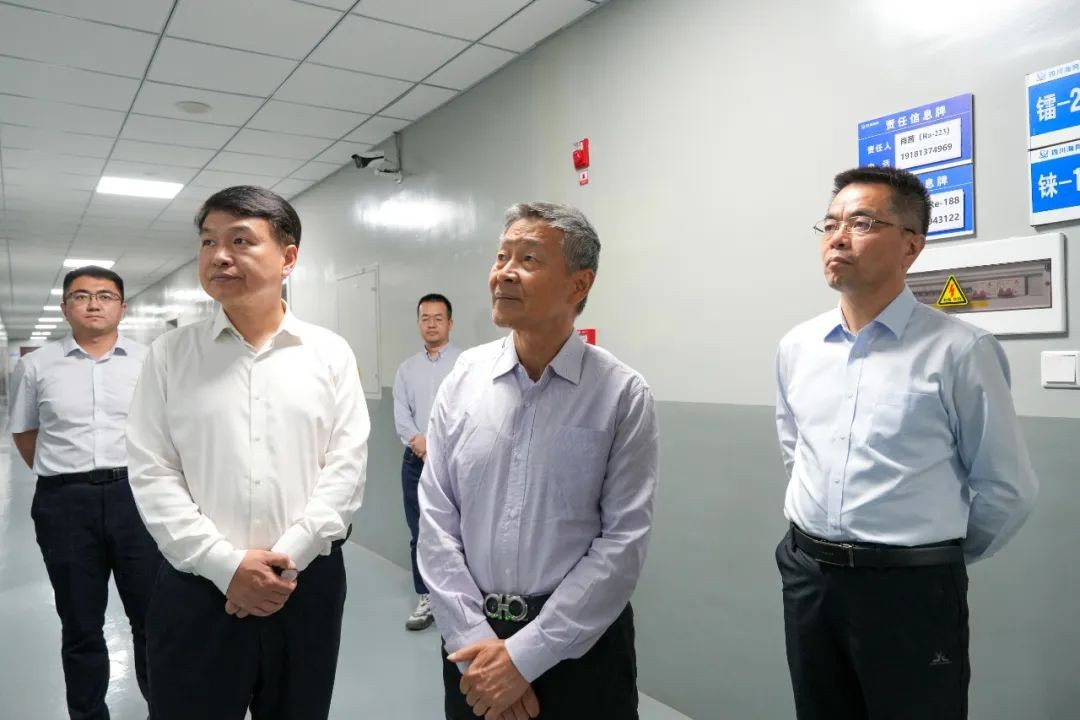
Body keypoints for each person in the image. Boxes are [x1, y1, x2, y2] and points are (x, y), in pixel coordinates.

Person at [774, 165, 1039, 719]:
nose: (838, 238)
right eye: (830, 224)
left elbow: (1006, 487)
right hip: (810, 578)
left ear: (911, 246)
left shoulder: (960, 351)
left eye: (862, 223)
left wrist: (930, 558)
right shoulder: (798, 347)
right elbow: (796, 449)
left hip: (910, 590)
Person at [125, 186, 370, 720]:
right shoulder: (170, 356)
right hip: (196, 586)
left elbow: (346, 468)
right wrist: (225, 566)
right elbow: (152, 471)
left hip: (305, 586)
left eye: (240, 240)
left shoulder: (329, 354)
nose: (219, 256)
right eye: (208, 241)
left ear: (288, 257)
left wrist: (285, 562)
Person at [418, 202, 659, 720]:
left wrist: (524, 658)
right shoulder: (463, 381)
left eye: (528, 258)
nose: (505, 272)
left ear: (579, 284)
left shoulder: (620, 394)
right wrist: (477, 646)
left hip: (581, 648)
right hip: (472, 645)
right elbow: (436, 520)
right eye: (501, 256)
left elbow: (623, 542)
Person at [8, 265, 162, 720]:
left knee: (153, 619)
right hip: (65, 505)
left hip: (137, 500)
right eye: (81, 296)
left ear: (122, 307)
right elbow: (25, 432)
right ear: (65, 307)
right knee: (80, 624)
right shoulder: (36, 365)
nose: (93, 304)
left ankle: (164, 708)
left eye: (105, 296)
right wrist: (66, 477)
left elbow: (165, 428)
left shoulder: (149, 360)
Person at [392, 293, 462, 631]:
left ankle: (460, 599)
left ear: (450, 323)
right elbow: (401, 415)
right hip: (415, 462)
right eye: (425, 318)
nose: (431, 324)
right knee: (419, 531)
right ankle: (426, 597)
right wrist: (420, 444)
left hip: (456, 461)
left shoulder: (466, 364)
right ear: (418, 323)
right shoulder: (407, 369)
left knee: (460, 531)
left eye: (438, 318)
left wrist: (439, 447)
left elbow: (471, 411)